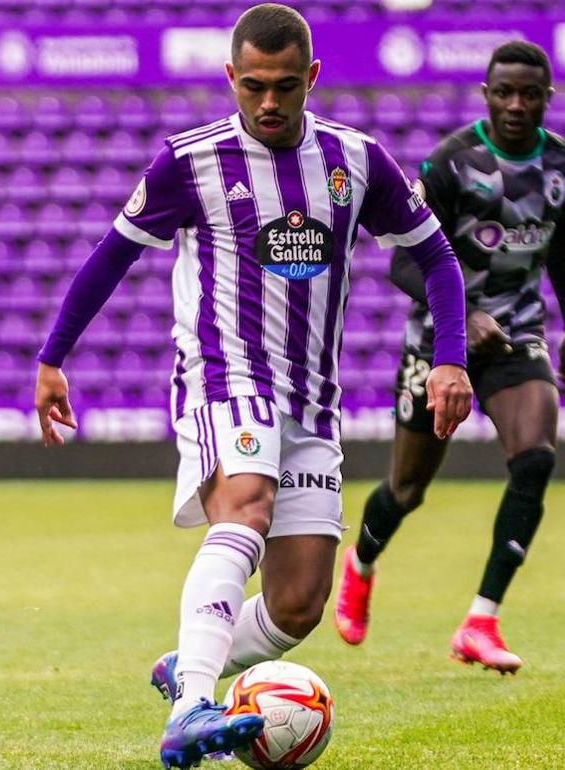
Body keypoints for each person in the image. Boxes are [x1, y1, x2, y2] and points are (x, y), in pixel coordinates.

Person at [33, 5, 474, 767]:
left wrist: (451, 356)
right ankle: (194, 709)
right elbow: (111, 255)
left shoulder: (356, 159)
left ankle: (188, 663)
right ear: (231, 78)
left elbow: (435, 256)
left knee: (300, 602)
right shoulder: (189, 161)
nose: (268, 103)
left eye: (284, 87)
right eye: (253, 87)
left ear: (312, 78)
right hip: (223, 376)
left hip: (312, 399)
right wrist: (52, 356)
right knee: (246, 505)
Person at [334, 41, 563, 674]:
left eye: (529, 93)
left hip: (519, 335)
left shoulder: (560, 169)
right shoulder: (452, 162)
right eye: (504, 92)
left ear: (548, 97)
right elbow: (406, 258)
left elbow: (560, 256)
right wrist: (464, 315)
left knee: (537, 456)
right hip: (440, 342)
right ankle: (360, 566)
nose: (516, 104)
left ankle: (481, 619)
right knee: (407, 488)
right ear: (486, 95)